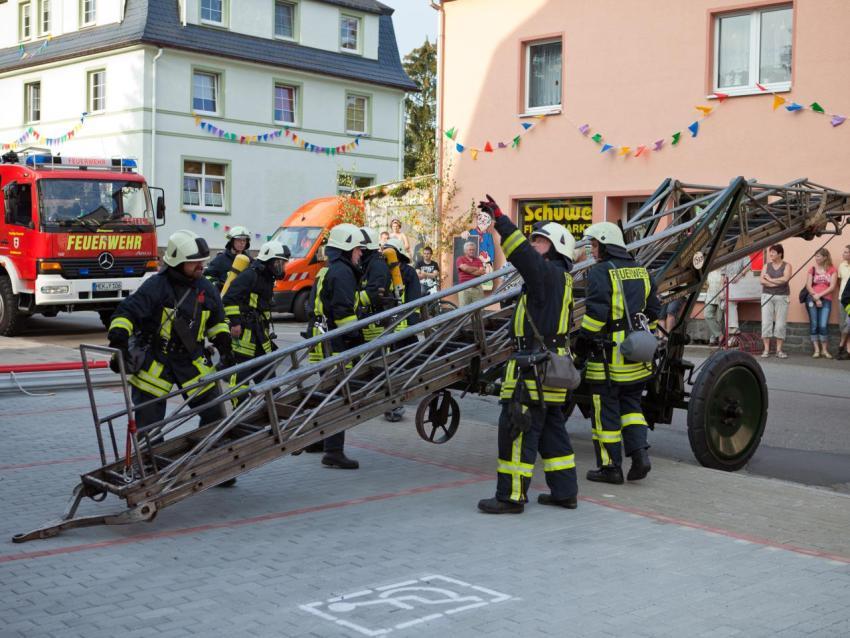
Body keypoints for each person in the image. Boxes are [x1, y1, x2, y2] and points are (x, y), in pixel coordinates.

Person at [474, 196, 579, 515]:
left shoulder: (546, 274)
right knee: (551, 431)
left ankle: (511, 496)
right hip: (551, 367)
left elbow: (521, 256)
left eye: (539, 240)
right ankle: (564, 492)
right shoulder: (560, 278)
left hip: (532, 368)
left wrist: (501, 221)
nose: (533, 244)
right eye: (532, 239)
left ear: (557, 248)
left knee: (517, 428)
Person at [107, 230, 235, 481]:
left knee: (214, 413)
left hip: (192, 361)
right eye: (194, 262)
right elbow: (126, 312)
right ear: (177, 262)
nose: (201, 266)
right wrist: (119, 340)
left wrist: (224, 344)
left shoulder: (206, 287)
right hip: (157, 363)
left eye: (202, 262)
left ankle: (214, 463)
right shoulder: (156, 286)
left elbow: (218, 321)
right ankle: (151, 472)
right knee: (149, 423)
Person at [575, 222, 661, 485]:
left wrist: (582, 342)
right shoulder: (642, 272)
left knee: (605, 414)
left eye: (593, 244)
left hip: (608, 359)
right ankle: (640, 456)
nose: (591, 250)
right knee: (632, 408)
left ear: (604, 244)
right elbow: (654, 312)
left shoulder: (601, 272)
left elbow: (596, 316)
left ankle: (610, 468)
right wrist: (643, 335)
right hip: (636, 357)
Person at [303, 223, 366, 469]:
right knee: (337, 396)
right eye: (358, 249)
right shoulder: (343, 273)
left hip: (322, 341)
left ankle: (321, 440)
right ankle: (333, 451)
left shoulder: (329, 270)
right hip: (335, 344)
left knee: (327, 394)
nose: (360, 253)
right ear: (347, 249)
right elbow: (343, 313)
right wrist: (356, 340)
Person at [222, 240, 291, 392]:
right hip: (245, 336)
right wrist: (235, 323)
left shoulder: (267, 278)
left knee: (268, 376)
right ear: (270, 261)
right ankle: (239, 408)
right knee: (241, 378)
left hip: (260, 335)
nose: (283, 267)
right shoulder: (250, 275)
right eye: (281, 263)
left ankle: (273, 407)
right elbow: (228, 298)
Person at [383, 237, 422, 422]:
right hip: (403, 328)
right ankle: (395, 404)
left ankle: (392, 403)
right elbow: (415, 300)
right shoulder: (409, 272)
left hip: (386, 329)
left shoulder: (382, 271)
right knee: (401, 365)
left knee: (390, 366)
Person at [358, 227, 393, 343]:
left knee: (378, 358)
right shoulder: (368, 264)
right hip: (370, 323)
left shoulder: (377, 266)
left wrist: (354, 299)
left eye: (360, 247)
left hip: (377, 326)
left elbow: (375, 293)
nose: (358, 251)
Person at [759, 244, 792, 359]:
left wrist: (771, 280)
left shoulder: (787, 266)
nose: (771, 254)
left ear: (780, 254)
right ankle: (766, 350)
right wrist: (775, 282)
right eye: (770, 252)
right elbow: (762, 281)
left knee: (780, 324)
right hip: (767, 296)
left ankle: (779, 350)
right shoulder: (766, 266)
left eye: (773, 252)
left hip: (782, 296)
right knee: (766, 323)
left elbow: (785, 279)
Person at [805, 248, 838, 358]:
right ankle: (817, 350)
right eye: (815, 256)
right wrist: (816, 297)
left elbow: (832, 287)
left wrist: (820, 295)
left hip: (826, 299)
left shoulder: (832, 270)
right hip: (812, 299)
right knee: (814, 325)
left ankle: (824, 350)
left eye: (818, 256)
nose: (816, 258)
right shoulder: (812, 269)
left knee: (823, 325)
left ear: (825, 257)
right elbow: (808, 286)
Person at [456, 241, 485, 306]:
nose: (472, 251)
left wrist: (468, 269)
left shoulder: (478, 260)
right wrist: (477, 269)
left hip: (477, 288)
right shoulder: (460, 259)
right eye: (470, 250)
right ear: (465, 251)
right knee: (464, 311)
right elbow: (465, 268)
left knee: (479, 310)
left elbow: (482, 271)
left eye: (473, 250)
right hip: (464, 289)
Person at [704, 268, 724, 346]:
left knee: (719, 319)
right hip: (710, 296)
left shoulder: (724, 270)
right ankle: (720, 335)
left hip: (721, 297)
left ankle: (713, 339)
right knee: (707, 315)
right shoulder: (709, 270)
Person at [836, 245, 850, 359]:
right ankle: (846, 349)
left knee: (848, 323)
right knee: (843, 324)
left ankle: (842, 347)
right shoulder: (841, 265)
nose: (843, 254)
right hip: (842, 298)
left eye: (846, 252)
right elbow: (839, 281)